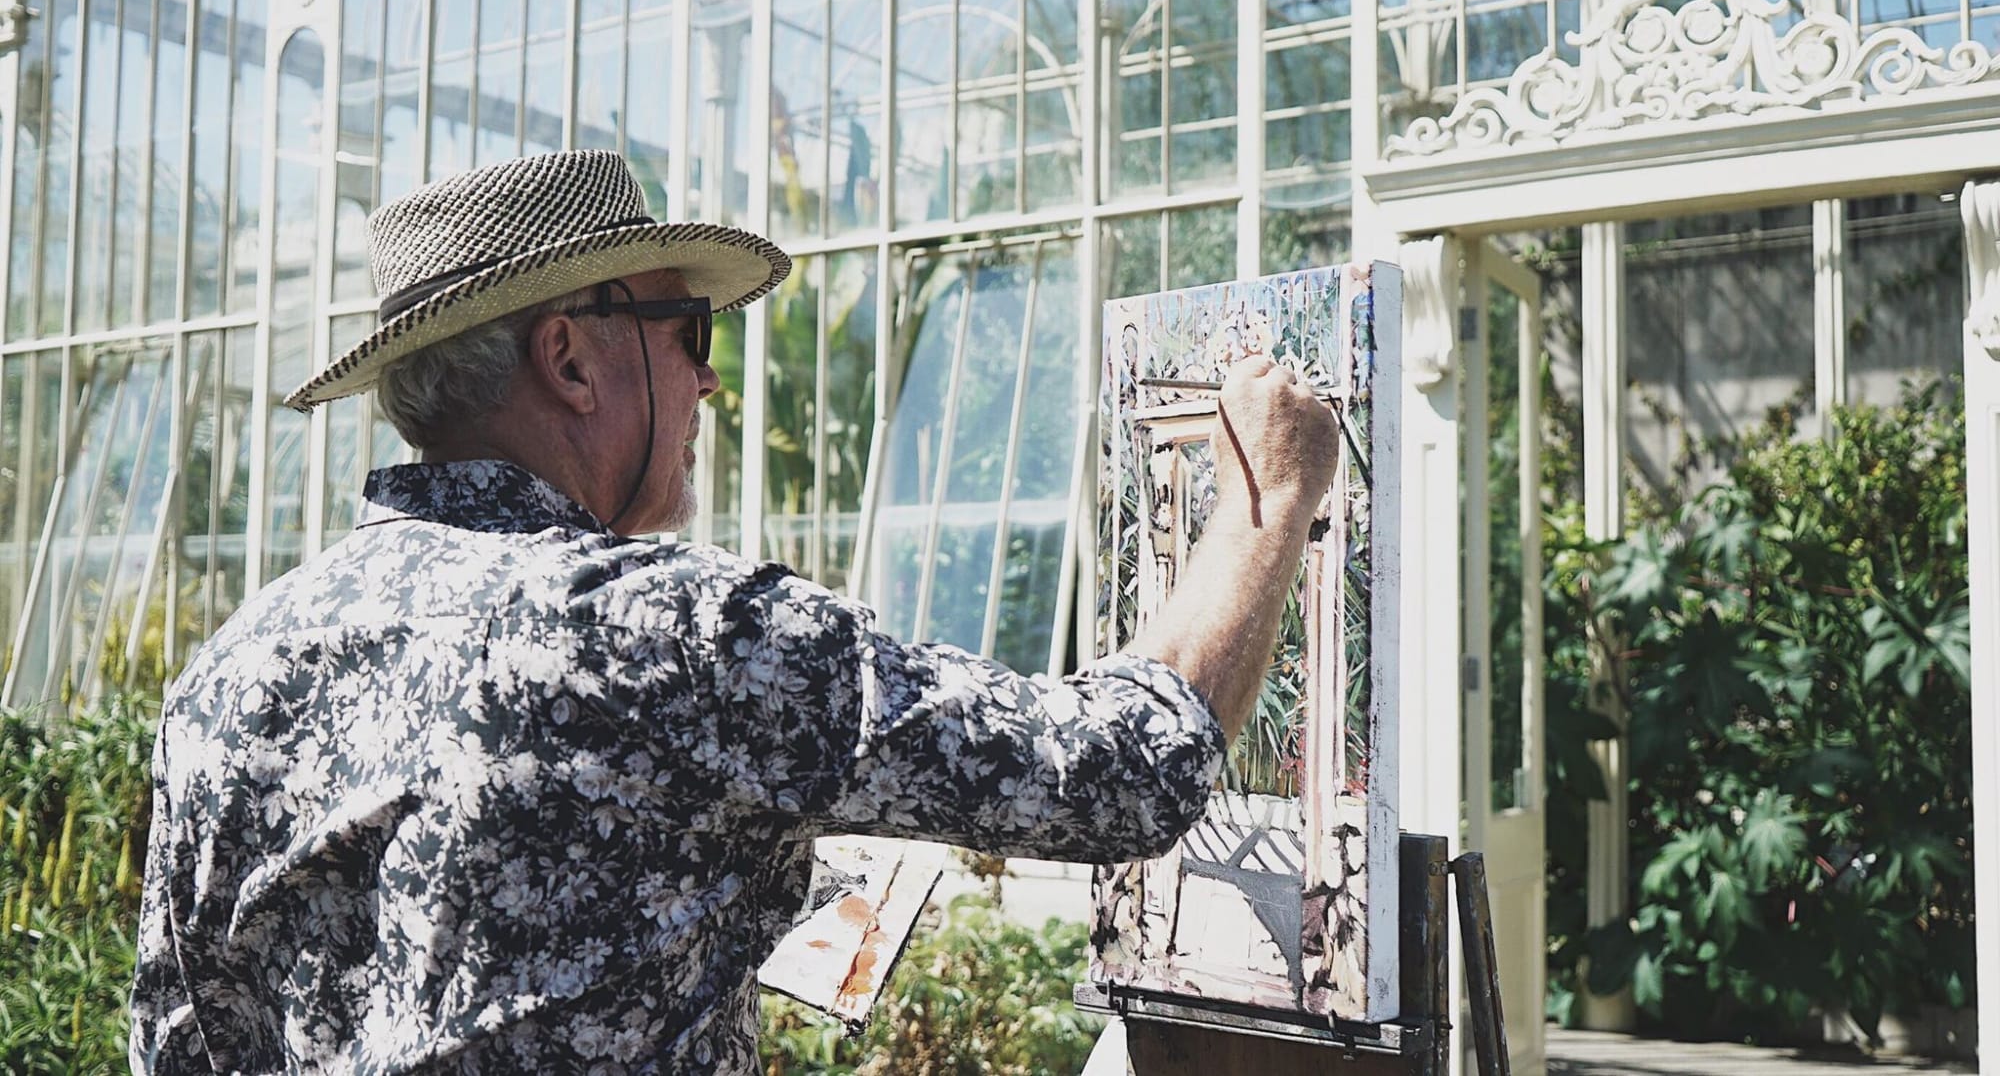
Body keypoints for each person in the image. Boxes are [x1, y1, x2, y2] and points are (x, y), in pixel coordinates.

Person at [130, 149, 1340, 1073]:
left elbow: (180, 1046)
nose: (708, 373)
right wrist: (1267, 501)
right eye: (685, 329)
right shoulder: (658, 632)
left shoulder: (231, 671)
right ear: (568, 355)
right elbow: (1118, 769)